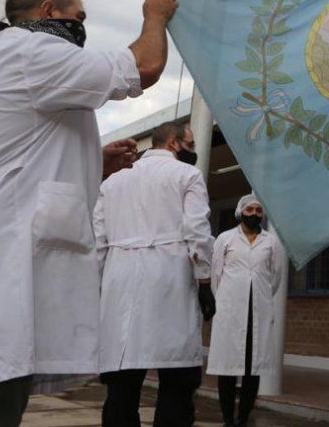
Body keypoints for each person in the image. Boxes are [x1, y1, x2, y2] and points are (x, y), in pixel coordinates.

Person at [0, 0, 177, 427]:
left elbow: (21, 158)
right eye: (78, 16)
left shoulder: (15, 59)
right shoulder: (33, 49)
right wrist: (154, 16)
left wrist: (92, 163)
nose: (82, 26)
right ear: (48, 12)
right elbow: (143, 67)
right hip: (2, 271)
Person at [93, 121, 216, 427]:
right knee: (177, 381)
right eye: (190, 143)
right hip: (169, 277)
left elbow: (97, 243)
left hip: (119, 278)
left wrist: (98, 288)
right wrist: (204, 281)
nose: (193, 150)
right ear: (174, 143)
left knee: (122, 381)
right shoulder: (188, 175)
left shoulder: (111, 183)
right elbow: (198, 232)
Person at [206, 194, 284, 427]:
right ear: (241, 212)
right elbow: (215, 275)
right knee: (227, 367)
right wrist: (225, 301)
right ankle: (228, 418)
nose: (254, 214)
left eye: (259, 211)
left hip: (257, 311)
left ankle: (243, 418)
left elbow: (276, 277)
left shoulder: (271, 242)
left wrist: (260, 295)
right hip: (230, 310)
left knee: (253, 368)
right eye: (250, 210)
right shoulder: (225, 239)